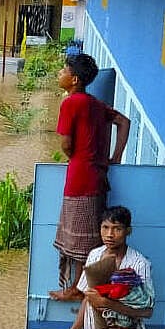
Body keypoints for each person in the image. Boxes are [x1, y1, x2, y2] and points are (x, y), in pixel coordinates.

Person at [50, 54, 131, 301]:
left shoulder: (71, 103)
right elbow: (123, 122)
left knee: (81, 240)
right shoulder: (95, 104)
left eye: (64, 70)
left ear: (74, 79)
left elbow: (66, 144)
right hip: (97, 177)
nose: (60, 73)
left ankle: (78, 288)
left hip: (80, 179)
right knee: (87, 237)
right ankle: (79, 286)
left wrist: (74, 156)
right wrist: (116, 156)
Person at [63, 207, 154, 329]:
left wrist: (106, 303)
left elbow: (147, 311)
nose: (109, 234)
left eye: (117, 229)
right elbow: (87, 298)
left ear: (128, 231)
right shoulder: (94, 255)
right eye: (105, 227)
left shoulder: (139, 264)